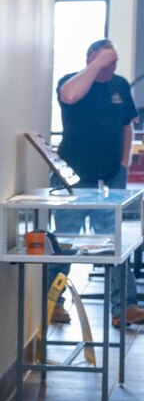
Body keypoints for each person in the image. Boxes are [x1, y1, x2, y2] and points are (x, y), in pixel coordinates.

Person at [51, 39, 142, 325]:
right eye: (105, 60)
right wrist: (96, 66)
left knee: (113, 244)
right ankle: (53, 303)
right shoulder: (71, 82)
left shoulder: (120, 85)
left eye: (112, 61)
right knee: (64, 243)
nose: (110, 66)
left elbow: (127, 125)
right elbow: (70, 96)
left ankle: (124, 308)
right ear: (90, 58)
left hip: (110, 178)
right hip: (72, 180)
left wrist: (124, 166)